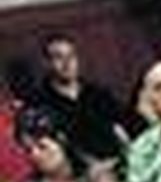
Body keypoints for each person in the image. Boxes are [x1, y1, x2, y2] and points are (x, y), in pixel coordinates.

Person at [32, 34, 134, 166]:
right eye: (59, 57)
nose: (67, 63)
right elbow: (55, 146)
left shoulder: (97, 93)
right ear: (46, 63)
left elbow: (127, 123)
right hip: (80, 174)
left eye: (71, 56)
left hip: (119, 162)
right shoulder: (40, 103)